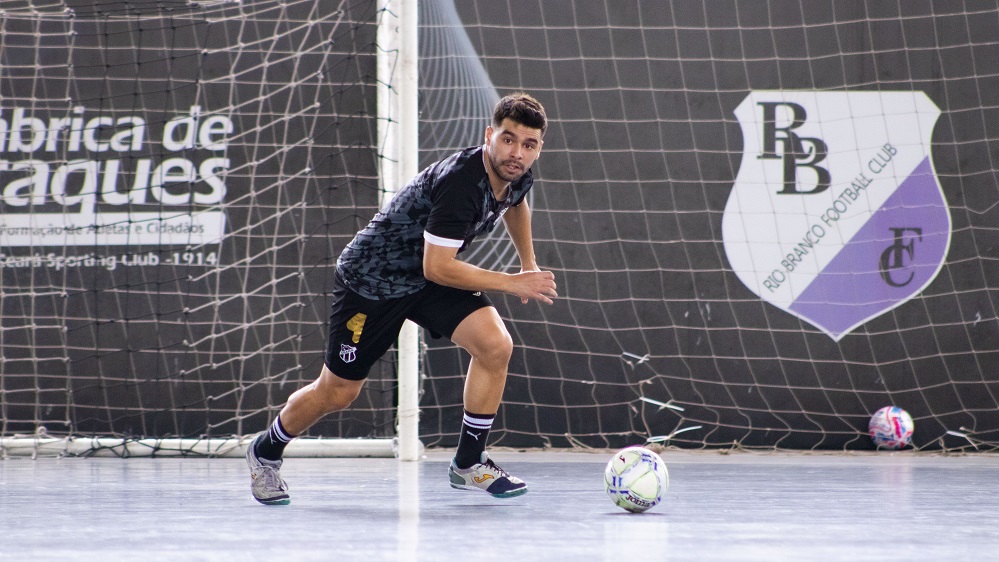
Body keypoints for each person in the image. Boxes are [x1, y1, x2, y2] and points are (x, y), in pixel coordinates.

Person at [245, 92, 556, 505]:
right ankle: (265, 451)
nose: (516, 152)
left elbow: (516, 204)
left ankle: (468, 462)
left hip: (425, 276)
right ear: (489, 136)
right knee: (338, 392)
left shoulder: (517, 173)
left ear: (538, 149)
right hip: (373, 281)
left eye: (528, 144)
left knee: (495, 346)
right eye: (508, 139)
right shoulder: (461, 182)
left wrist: (528, 264)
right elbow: (439, 268)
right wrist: (512, 282)